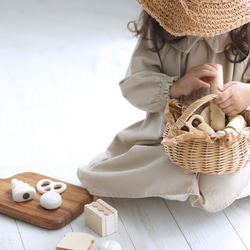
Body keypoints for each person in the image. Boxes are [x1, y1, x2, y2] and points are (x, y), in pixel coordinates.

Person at [78, 0, 250, 212]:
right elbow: (133, 86)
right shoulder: (159, 31)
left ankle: (195, 185)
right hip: (167, 137)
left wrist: (246, 94)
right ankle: (174, 183)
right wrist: (175, 87)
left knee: (220, 177)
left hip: (235, 144)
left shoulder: (245, 32)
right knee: (162, 164)